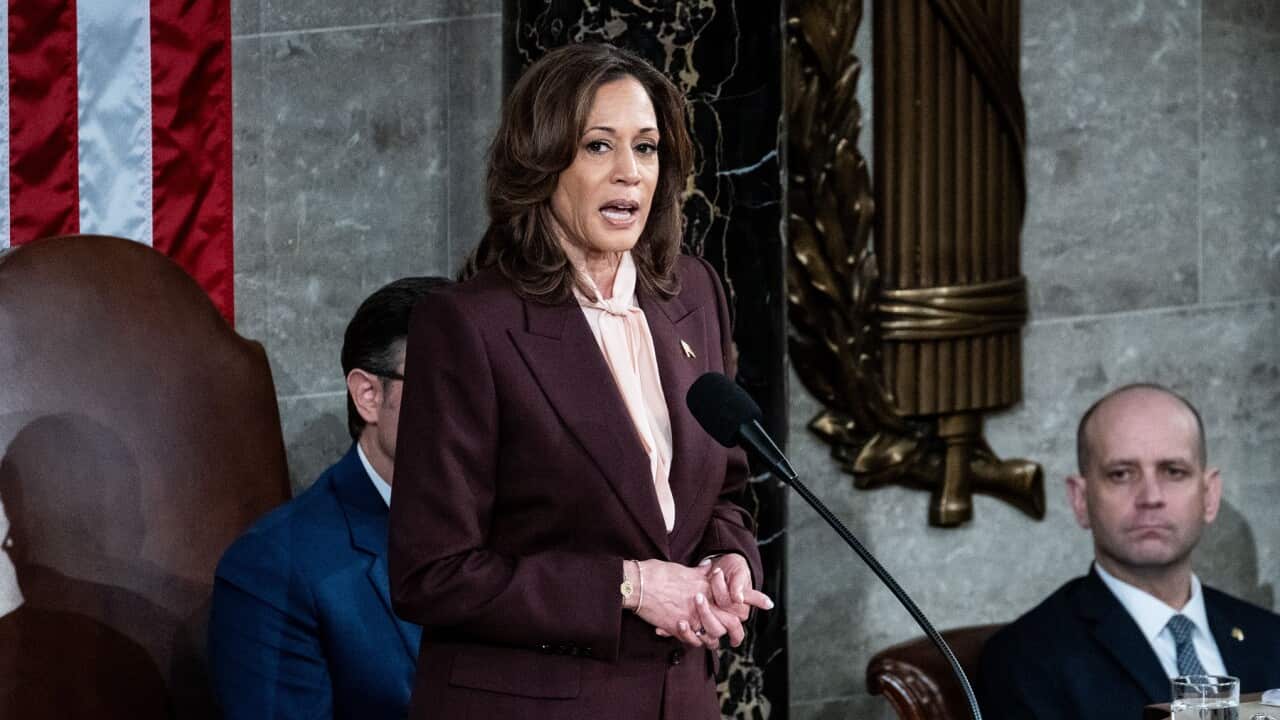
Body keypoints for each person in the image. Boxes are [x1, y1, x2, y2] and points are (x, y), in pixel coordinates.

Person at [388, 43, 773, 720]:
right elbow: (431, 575)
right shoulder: (470, 326)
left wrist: (728, 560)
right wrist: (626, 586)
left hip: (679, 699)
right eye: (599, 146)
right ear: (542, 163)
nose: (629, 173)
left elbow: (725, 491)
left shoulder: (693, 293)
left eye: (647, 148)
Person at [208, 276, 447, 719]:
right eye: (446, 386)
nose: (476, 411)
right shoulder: (274, 566)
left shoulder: (522, 524)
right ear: (369, 396)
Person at [979, 383, 1280, 719]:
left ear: (1209, 496)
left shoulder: (1272, 638)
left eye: (1173, 471)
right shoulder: (1025, 661)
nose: (1151, 496)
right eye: (1121, 474)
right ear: (1081, 499)